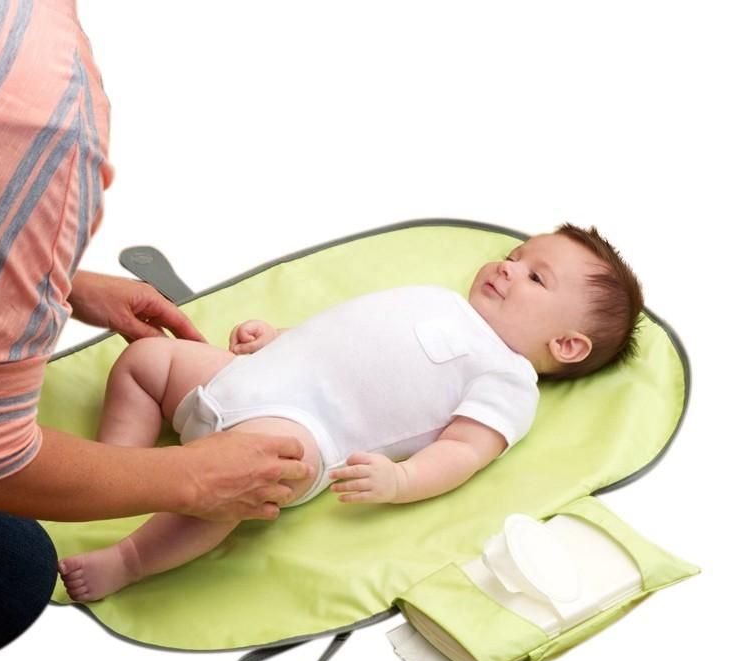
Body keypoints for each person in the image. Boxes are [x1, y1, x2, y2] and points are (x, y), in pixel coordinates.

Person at [0, 0, 309, 661]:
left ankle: (124, 526)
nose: (504, 270)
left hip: (288, 420)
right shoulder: (36, 107)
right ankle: (128, 546)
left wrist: (48, 276)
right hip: (250, 413)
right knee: (2, 570)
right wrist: (188, 478)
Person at [59, 224, 644, 602]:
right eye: (515, 257)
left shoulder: (509, 379)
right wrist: (278, 338)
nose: (507, 267)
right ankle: (117, 464)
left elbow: (464, 450)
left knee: (242, 484)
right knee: (146, 359)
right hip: (244, 376)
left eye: (535, 276)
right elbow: (342, 335)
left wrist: (401, 479)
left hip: (300, 431)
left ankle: (130, 558)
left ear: (567, 345)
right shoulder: (440, 298)